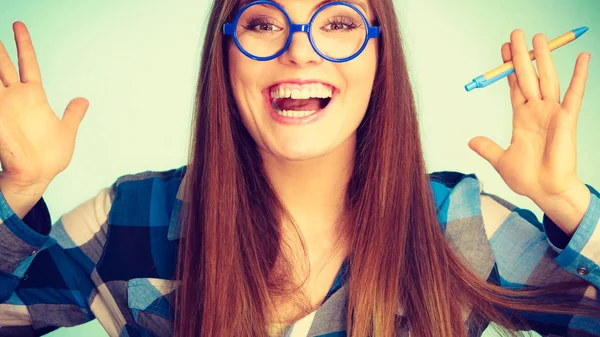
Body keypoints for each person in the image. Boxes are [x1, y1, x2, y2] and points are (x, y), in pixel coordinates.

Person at [0, 0, 599, 336]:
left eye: (337, 23)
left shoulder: (462, 226)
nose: (300, 48)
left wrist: (566, 200)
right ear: (226, 55)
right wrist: (20, 189)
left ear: (379, 55)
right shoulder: (128, 221)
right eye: (263, 22)